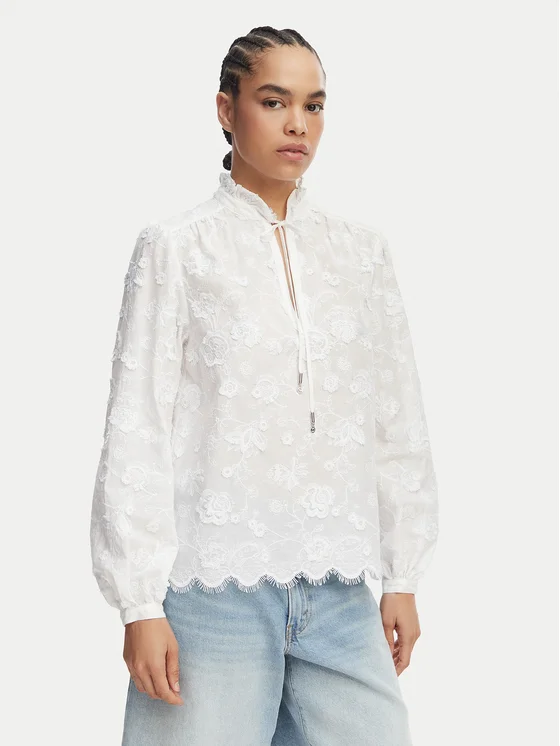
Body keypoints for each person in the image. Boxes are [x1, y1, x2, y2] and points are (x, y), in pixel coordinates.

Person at [90, 25, 439, 746]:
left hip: (340, 591)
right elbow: (137, 426)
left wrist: (401, 572)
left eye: (314, 105)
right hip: (210, 593)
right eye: (274, 101)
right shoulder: (176, 248)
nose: (297, 124)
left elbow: (395, 415)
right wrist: (139, 604)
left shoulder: (360, 253)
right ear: (227, 109)